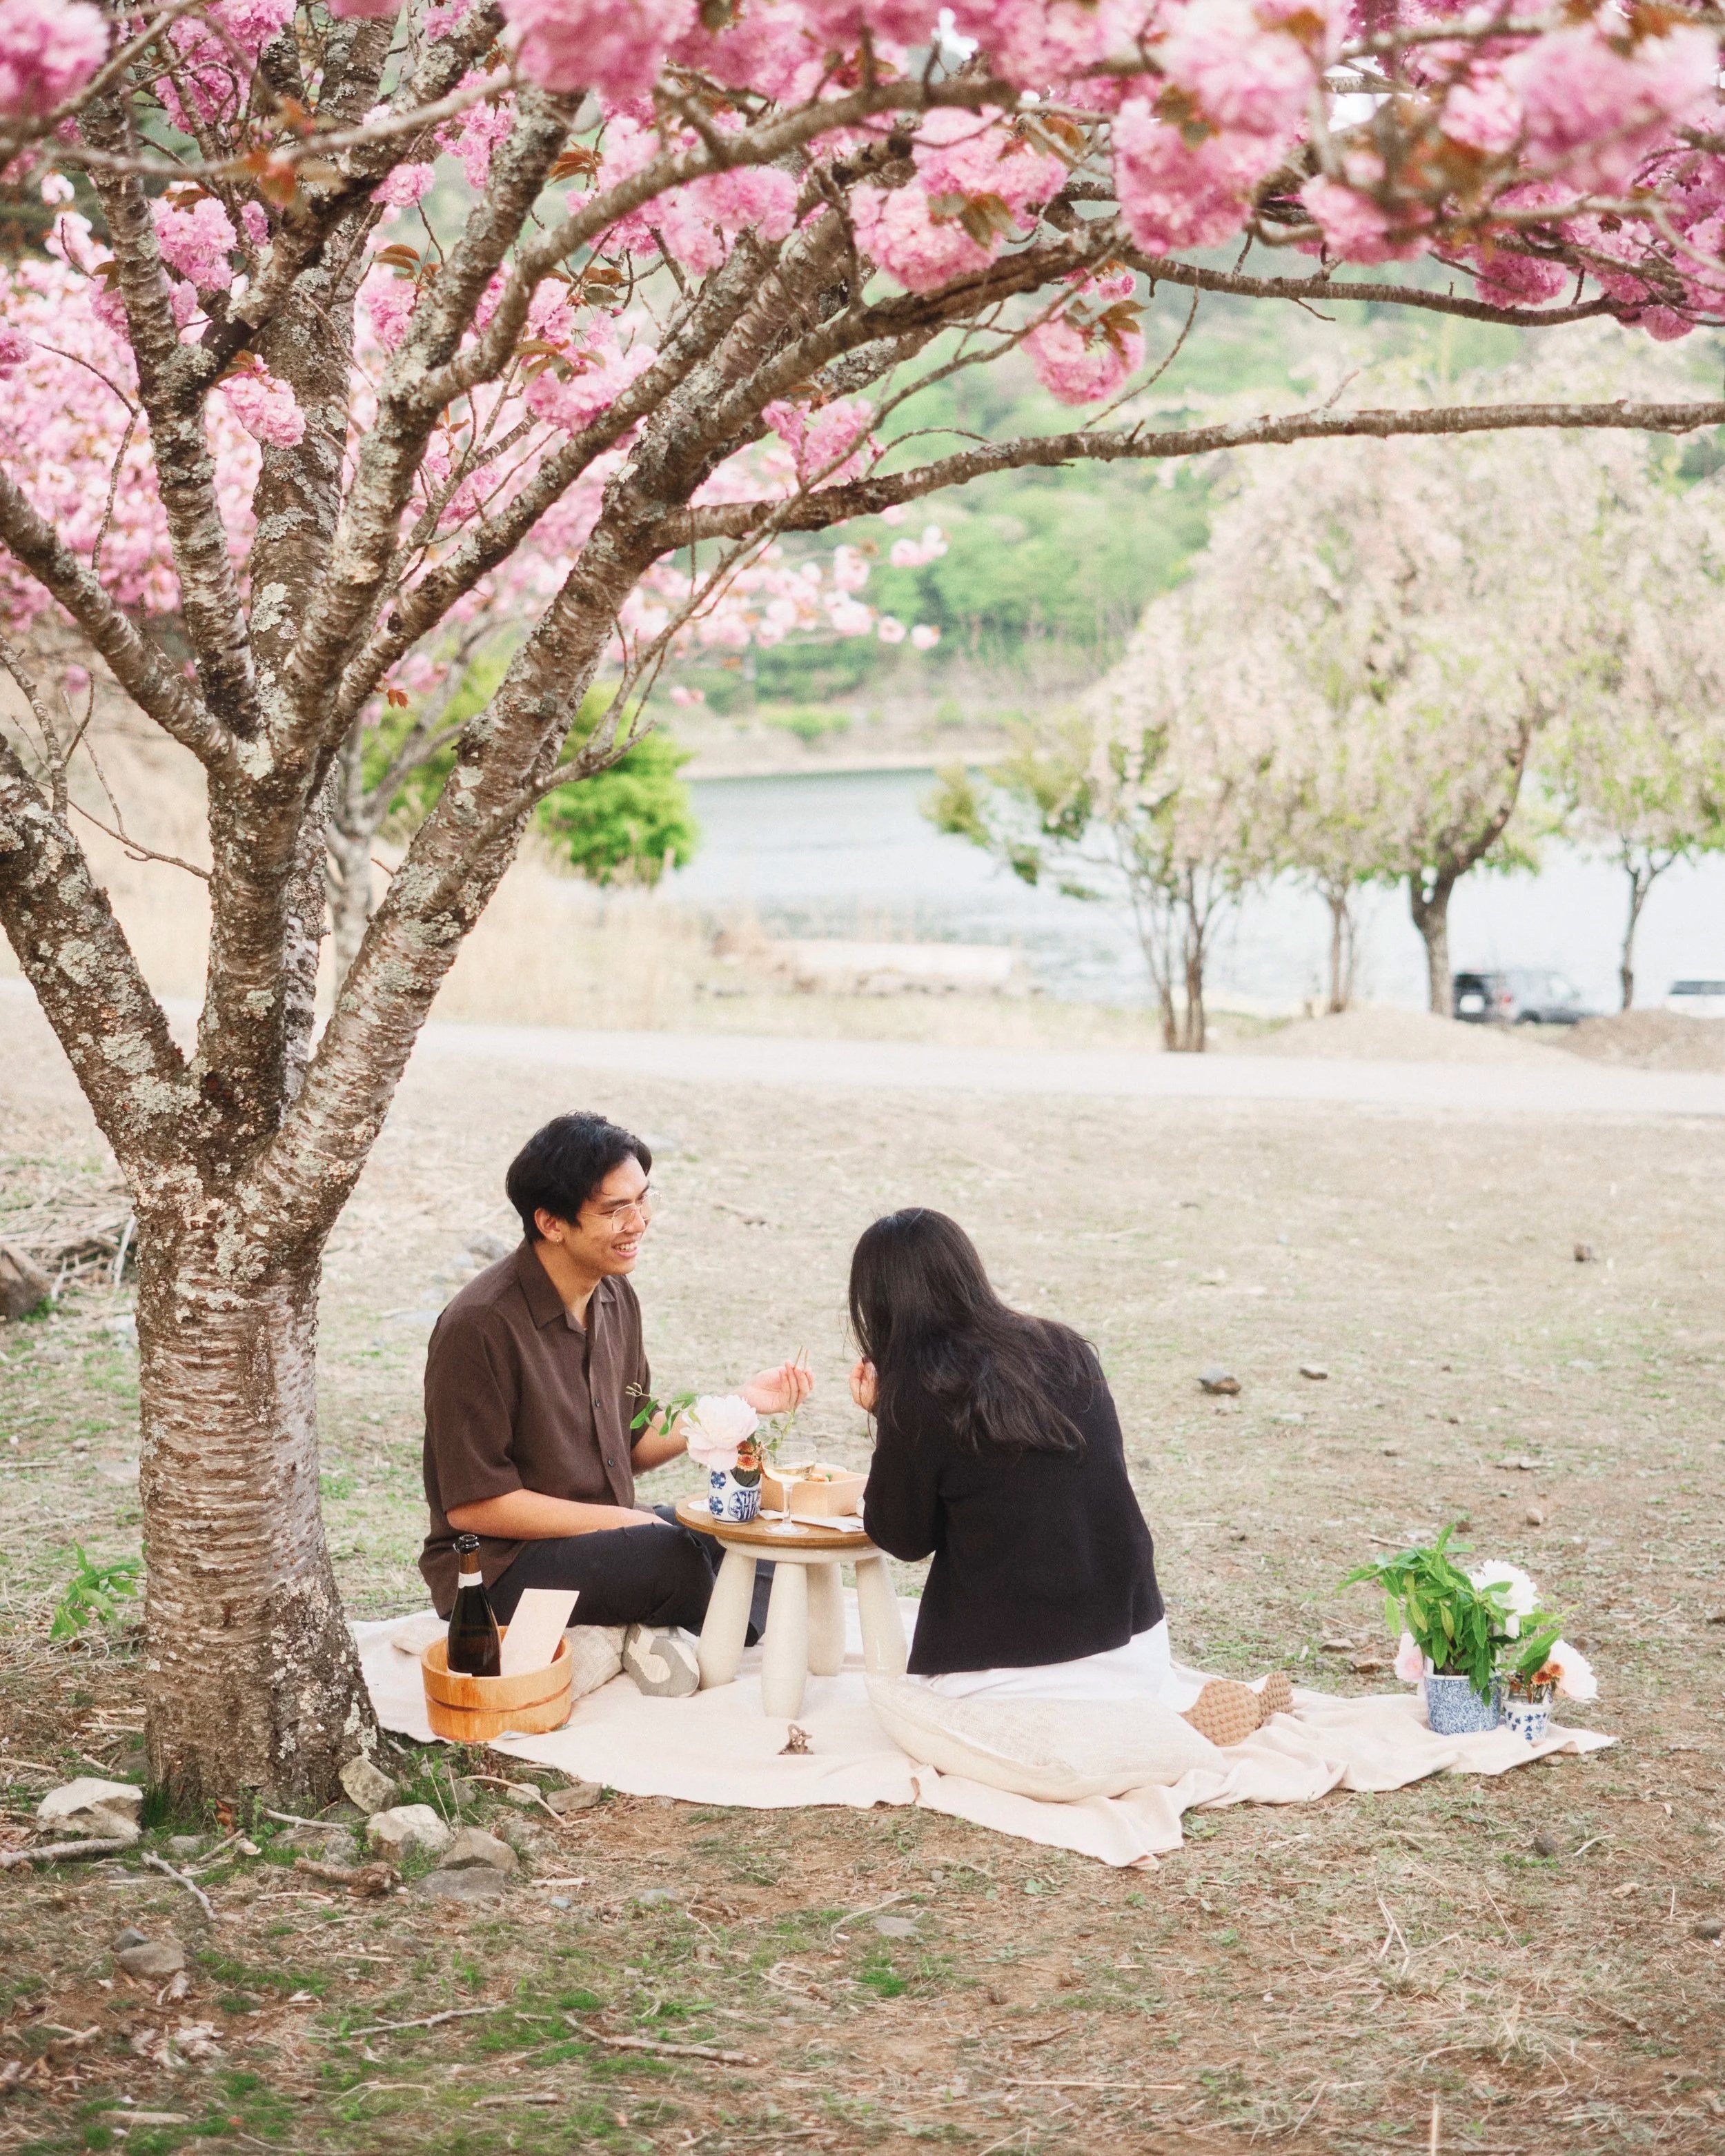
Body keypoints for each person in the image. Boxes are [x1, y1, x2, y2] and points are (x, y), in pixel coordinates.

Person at [849, 1209, 1288, 1745]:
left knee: (931, 1723)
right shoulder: (1063, 1347)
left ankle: (1145, 1732)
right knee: (1095, 1709)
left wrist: (884, 1410)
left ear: (878, 1305)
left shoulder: (918, 1391)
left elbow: (903, 1537)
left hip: (1013, 1660)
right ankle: (1156, 1715)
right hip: (1133, 1636)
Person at [420, 1111, 811, 1695]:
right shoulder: (478, 1326)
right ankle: (646, 1629)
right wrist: (629, 1522)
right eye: (614, 1209)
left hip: (606, 1538)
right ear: (550, 1222)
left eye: (643, 1200)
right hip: (502, 1567)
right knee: (672, 1554)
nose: (640, 1221)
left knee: (750, 1535)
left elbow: (630, 1443)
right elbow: (477, 1508)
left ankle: (645, 1625)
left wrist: (738, 1404)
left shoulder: (614, 1295)